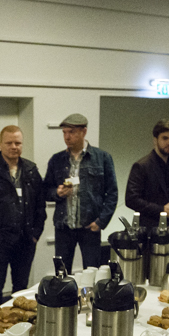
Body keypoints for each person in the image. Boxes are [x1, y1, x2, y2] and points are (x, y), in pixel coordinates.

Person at [0, 125, 46, 305]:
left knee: (21, 288)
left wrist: (36, 233)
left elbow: (40, 204)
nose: (14, 147)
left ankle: (18, 320)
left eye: (18, 143)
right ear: (0, 144)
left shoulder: (31, 171)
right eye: (9, 143)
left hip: (26, 239)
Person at [43, 113, 116, 269]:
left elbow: (112, 193)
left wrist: (101, 221)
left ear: (84, 132)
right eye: (64, 132)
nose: (67, 137)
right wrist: (57, 193)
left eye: (72, 132)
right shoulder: (57, 160)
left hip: (90, 226)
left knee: (91, 272)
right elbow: (45, 190)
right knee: (62, 273)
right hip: (64, 227)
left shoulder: (102, 158)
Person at [124, 119, 169, 238]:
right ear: (155, 140)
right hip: (148, 231)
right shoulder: (142, 166)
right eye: (165, 138)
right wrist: (161, 210)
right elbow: (131, 199)